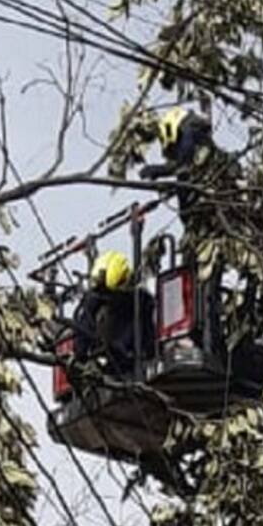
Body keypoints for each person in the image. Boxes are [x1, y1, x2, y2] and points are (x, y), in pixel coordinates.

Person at [139, 106, 231, 230]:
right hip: (214, 194)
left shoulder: (188, 134)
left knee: (182, 180)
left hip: (209, 196)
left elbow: (181, 164)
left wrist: (154, 170)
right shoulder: (198, 137)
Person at [72, 250, 155, 378]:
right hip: (110, 362)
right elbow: (81, 338)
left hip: (127, 361)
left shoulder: (143, 301)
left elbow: (150, 338)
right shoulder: (92, 302)